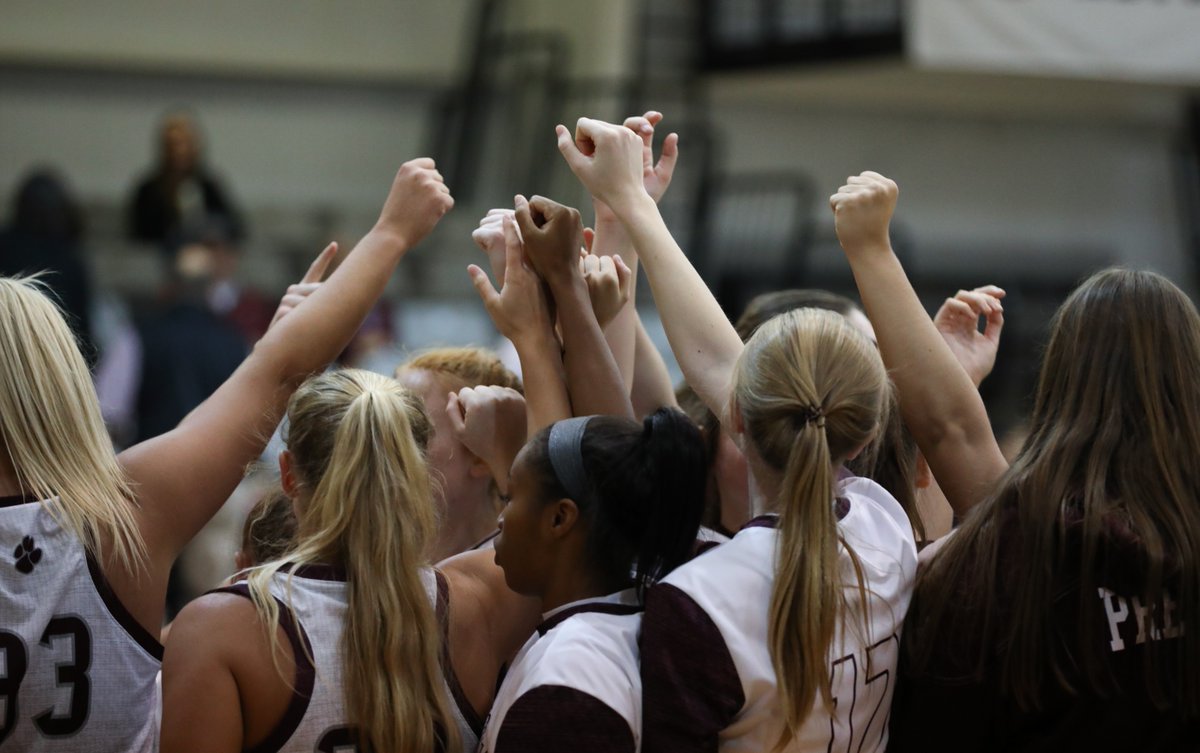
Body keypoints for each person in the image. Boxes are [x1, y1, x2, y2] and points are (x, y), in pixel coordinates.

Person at [0, 156, 453, 752]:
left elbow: (253, 380)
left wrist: (269, 357)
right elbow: (280, 372)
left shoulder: (129, 485)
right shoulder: (118, 510)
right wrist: (392, 232)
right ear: (58, 382)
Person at [554, 117, 917, 751]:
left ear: (736, 419)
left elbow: (723, 366)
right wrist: (629, 208)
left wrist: (631, 206)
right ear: (863, 439)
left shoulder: (703, 597)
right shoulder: (884, 527)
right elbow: (725, 367)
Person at [829, 171, 1200, 750]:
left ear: (1062, 379)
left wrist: (871, 249)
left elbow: (953, 434)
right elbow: (957, 437)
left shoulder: (1023, 541)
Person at [480, 409, 707, 753]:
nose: (500, 519)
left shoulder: (569, 680)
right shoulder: (605, 631)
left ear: (559, 518)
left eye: (510, 497)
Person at [395, 347, 525, 557]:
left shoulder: (518, 568)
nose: (387, 444)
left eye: (414, 428)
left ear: (480, 456)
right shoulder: (367, 554)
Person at [128, 112, 244, 248]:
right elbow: (138, 234)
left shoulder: (208, 185)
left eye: (185, 143)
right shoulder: (148, 189)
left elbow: (235, 227)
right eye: (173, 144)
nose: (180, 151)